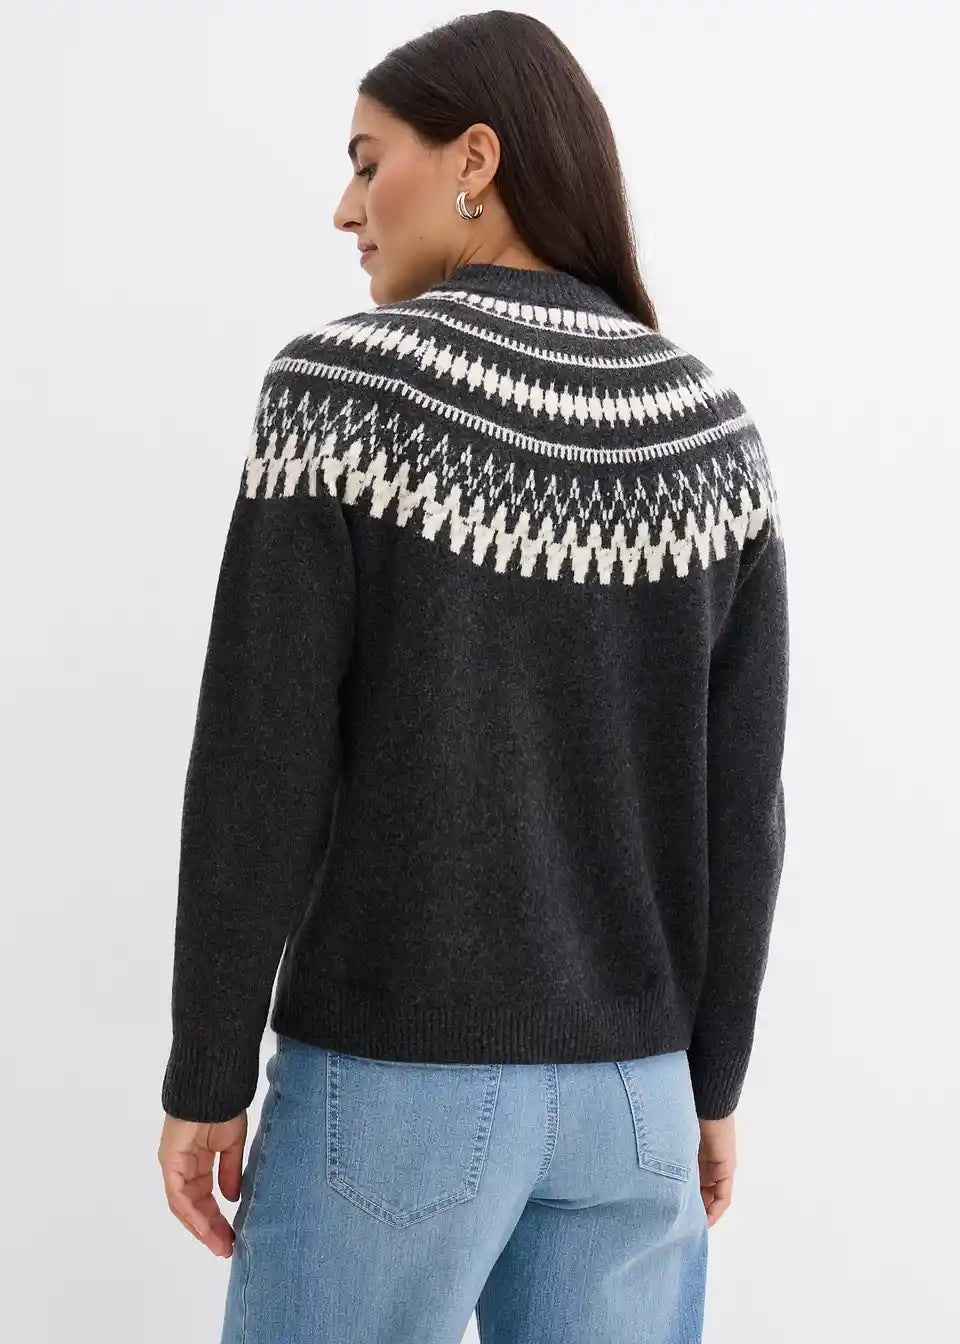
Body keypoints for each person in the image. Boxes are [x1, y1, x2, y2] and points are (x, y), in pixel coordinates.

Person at [156, 11, 789, 1343]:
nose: (345, 209)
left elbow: (261, 760)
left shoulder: (339, 395)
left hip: (396, 1084)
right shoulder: (713, 437)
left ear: (475, 160)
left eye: (366, 160)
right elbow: (744, 810)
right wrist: (711, 1080)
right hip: (634, 1102)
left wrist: (207, 1069)